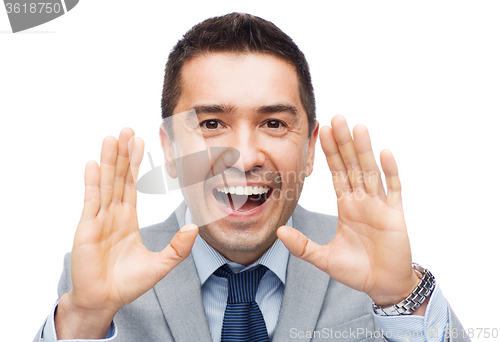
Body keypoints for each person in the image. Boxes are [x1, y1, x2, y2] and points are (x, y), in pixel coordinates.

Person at [34, 12, 468, 342]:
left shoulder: (374, 268)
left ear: (310, 147)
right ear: (169, 150)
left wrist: (401, 299)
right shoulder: (99, 274)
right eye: (211, 124)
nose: (243, 157)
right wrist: (83, 319)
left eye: (274, 123)